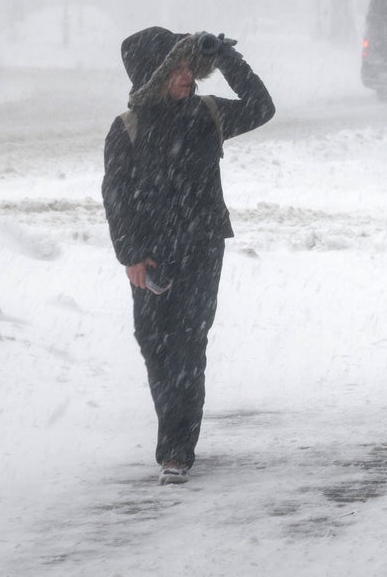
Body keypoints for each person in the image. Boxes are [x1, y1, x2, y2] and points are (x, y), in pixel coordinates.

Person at [102, 27, 274, 485]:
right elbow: (116, 197)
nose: (186, 77)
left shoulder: (208, 113)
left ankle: (176, 450)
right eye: (175, 68)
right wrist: (132, 255)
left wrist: (225, 59)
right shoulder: (128, 128)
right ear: (153, 75)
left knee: (188, 347)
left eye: (188, 67)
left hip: (202, 246)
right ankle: (173, 434)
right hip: (152, 257)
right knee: (154, 344)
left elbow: (262, 107)